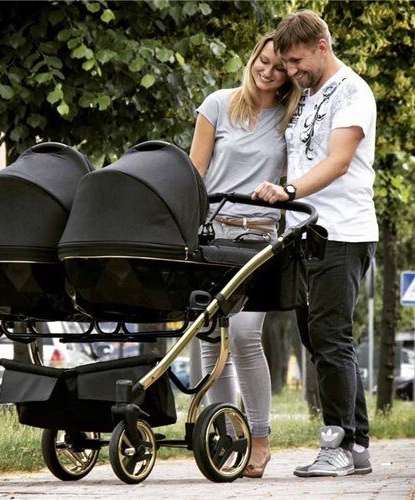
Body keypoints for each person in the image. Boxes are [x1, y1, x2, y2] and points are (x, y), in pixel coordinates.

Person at [253, 10, 377, 477]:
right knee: (319, 338)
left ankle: (337, 444)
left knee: (330, 336)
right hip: (305, 235)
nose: (291, 71)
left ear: (322, 46)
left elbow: (339, 161)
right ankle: (357, 444)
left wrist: (289, 191)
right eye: (286, 62)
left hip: (341, 233)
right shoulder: (308, 95)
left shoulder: (352, 92)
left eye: (297, 61)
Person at [189, 33, 301, 478]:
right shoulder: (217, 105)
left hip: (257, 238)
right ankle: (224, 436)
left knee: (244, 334)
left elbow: (294, 178)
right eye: (263, 61)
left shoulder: (290, 121)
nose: (267, 71)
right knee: (208, 337)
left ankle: (259, 438)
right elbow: (194, 174)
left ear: (288, 76)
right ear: (253, 58)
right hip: (211, 233)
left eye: (279, 67)